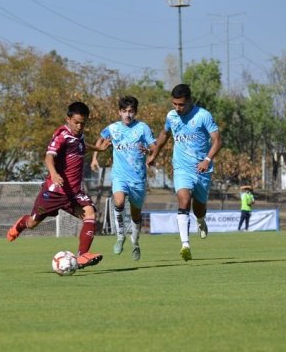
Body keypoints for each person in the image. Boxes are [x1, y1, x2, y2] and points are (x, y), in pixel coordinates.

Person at [6, 101, 111, 269]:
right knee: (33, 223)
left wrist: (99, 150)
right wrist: (54, 174)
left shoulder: (79, 137)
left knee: (90, 214)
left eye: (82, 123)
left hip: (73, 193)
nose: (79, 126)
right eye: (76, 122)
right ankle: (20, 224)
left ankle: (82, 255)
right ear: (68, 119)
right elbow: (49, 156)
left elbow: (82, 147)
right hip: (54, 192)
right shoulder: (62, 135)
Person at [147, 84, 222, 261]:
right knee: (184, 199)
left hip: (202, 169)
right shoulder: (171, 116)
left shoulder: (203, 116)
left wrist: (207, 160)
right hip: (181, 168)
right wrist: (154, 155)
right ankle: (185, 244)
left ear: (189, 101)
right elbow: (164, 135)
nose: (177, 108)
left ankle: (201, 221)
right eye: (175, 104)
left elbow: (217, 140)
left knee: (199, 208)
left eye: (181, 105)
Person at [90, 95, 156, 260]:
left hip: (138, 178)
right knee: (118, 202)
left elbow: (154, 147)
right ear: (119, 112)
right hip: (119, 175)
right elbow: (100, 139)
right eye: (125, 111)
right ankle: (120, 237)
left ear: (135, 112)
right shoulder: (113, 128)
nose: (128, 115)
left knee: (135, 214)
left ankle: (135, 243)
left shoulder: (142, 128)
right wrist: (94, 158)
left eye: (131, 111)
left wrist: (148, 152)